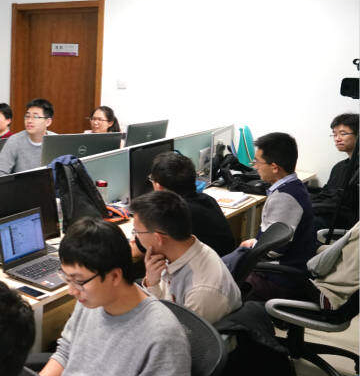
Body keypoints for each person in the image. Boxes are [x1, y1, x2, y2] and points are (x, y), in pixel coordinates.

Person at [40, 217, 193, 376]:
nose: (72, 291)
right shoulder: (92, 299)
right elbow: (66, 352)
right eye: (66, 278)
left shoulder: (162, 335)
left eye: (78, 281)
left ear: (114, 276)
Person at [225, 132, 318, 302]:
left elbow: (274, 250)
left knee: (225, 283)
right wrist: (255, 242)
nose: (255, 167)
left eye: (257, 162)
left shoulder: (284, 197)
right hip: (289, 266)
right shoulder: (294, 187)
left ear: (274, 167)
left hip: (281, 278)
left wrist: (253, 246)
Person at [131, 190, 241, 324]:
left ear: (158, 238)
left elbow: (174, 332)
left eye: (137, 232)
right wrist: (152, 283)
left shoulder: (201, 292)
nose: (135, 238)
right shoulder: (178, 251)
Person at [148, 151, 237, 256]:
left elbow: (138, 250)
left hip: (206, 265)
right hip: (224, 262)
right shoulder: (208, 200)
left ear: (158, 187)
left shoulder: (174, 213)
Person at [311, 113, 358, 230]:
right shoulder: (339, 167)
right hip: (329, 212)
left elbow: (347, 205)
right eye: (335, 134)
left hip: (344, 221)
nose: (337, 139)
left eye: (343, 134)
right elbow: (327, 193)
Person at [0, 99, 55, 176]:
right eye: (27, 116)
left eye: (35, 117)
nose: (29, 120)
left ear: (48, 122)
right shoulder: (14, 140)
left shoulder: (57, 141)